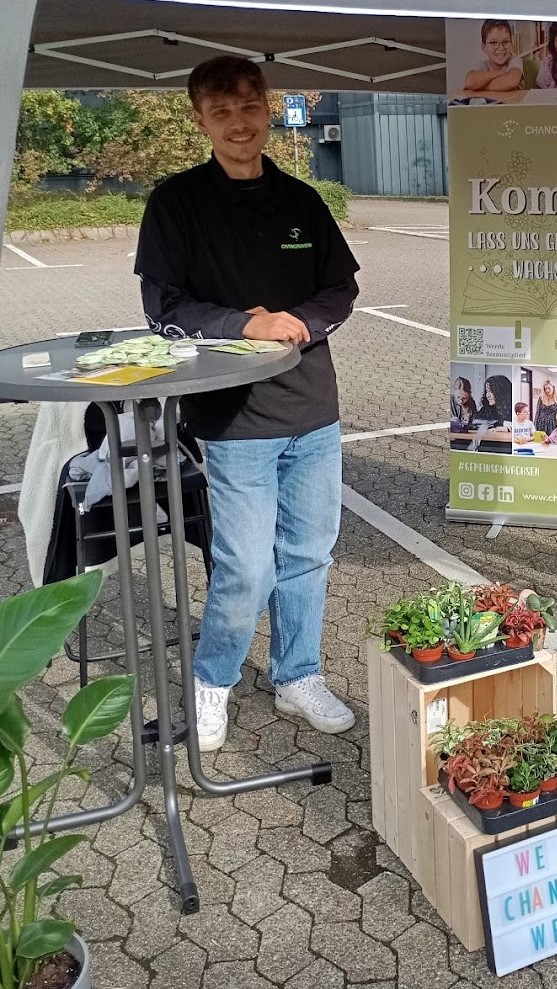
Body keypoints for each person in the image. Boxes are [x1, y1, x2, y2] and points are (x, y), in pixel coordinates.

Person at [134, 55, 360, 751]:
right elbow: (163, 308)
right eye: (222, 111)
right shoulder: (176, 203)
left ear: (268, 109)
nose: (240, 122)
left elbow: (340, 291)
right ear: (200, 119)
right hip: (234, 422)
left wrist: (301, 324)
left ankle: (297, 675)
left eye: (250, 107)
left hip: (313, 411)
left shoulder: (303, 201)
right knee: (246, 565)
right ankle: (212, 684)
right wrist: (245, 326)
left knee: (309, 553)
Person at [464, 20, 524, 92]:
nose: (501, 47)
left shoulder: (515, 60)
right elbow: (470, 82)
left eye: (505, 42)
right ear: (484, 47)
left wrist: (479, 86)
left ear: (511, 44)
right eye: (493, 43)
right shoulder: (482, 65)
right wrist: (501, 73)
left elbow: (511, 81)